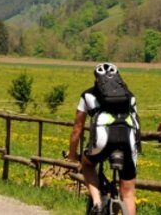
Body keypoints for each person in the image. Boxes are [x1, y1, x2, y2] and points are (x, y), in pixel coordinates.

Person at [67, 62, 140, 215]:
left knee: (87, 165)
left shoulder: (87, 95)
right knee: (128, 193)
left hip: (102, 141)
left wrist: (73, 155)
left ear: (96, 80)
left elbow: (77, 129)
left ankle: (97, 202)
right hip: (128, 141)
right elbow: (136, 125)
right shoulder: (129, 96)